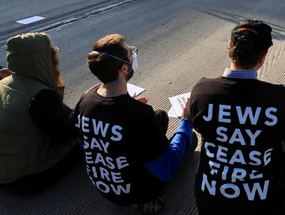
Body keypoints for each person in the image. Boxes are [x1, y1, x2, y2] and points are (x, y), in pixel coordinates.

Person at [187, 20, 285, 215]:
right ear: (263, 57)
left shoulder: (202, 91)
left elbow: (192, 123)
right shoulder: (279, 98)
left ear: (229, 46)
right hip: (265, 206)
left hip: (209, 204)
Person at [73, 34, 196, 214]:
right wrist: (186, 122)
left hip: (102, 185)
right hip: (135, 191)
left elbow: (84, 145)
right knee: (189, 139)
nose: (133, 56)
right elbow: (166, 170)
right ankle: (143, 200)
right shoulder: (139, 114)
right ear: (124, 68)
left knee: (159, 115)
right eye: (131, 53)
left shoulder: (85, 99)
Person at [0, 33, 80, 195]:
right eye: (52, 52)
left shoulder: (4, 81)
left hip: (5, 168)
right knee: (84, 140)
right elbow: (64, 135)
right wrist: (87, 104)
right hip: (23, 179)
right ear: (41, 59)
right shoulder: (41, 95)